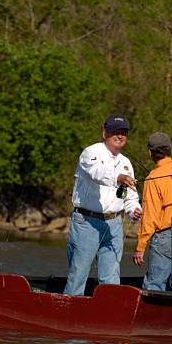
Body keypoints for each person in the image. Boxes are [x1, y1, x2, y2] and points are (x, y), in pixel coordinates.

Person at [63, 115, 143, 296]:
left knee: (112, 277)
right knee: (79, 274)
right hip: (87, 221)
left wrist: (133, 210)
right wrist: (119, 178)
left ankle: (110, 312)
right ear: (104, 133)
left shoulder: (126, 163)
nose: (119, 135)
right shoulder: (90, 153)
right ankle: (69, 312)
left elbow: (130, 195)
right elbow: (96, 173)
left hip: (114, 225)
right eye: (115, 131)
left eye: (123, 132)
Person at [133, 132, 172, 293]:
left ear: (150, 152)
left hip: (166, 237)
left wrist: (141, 246)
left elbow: (150, 217)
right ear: (169, 150)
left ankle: (152, 318)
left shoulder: (153, 178)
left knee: (154, 286)